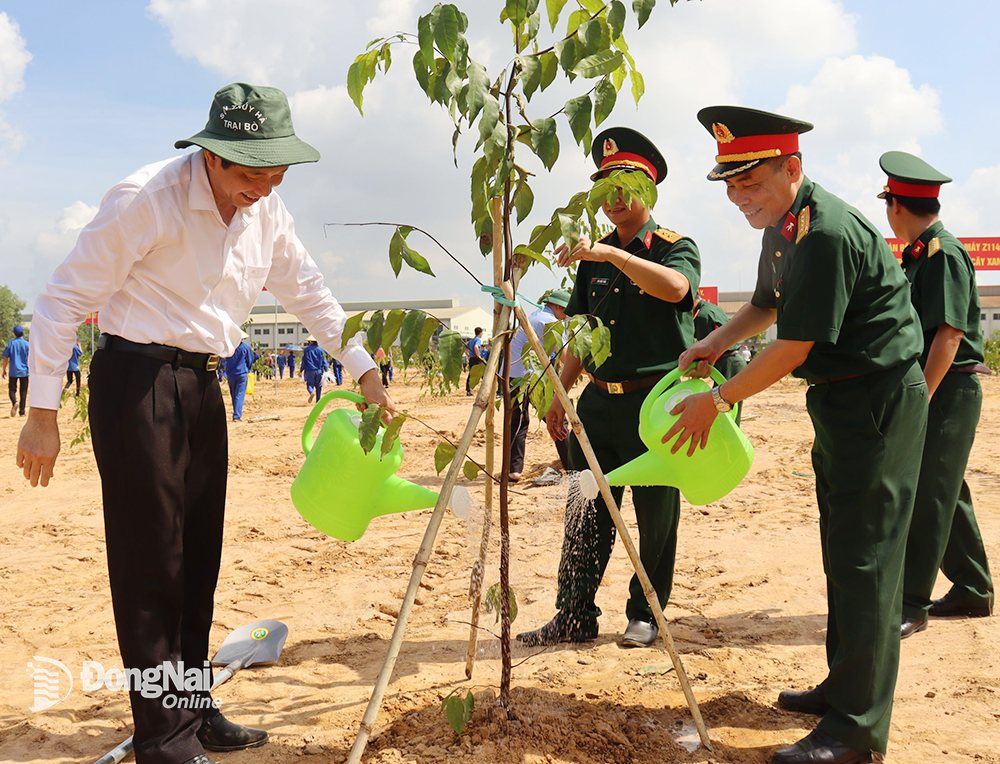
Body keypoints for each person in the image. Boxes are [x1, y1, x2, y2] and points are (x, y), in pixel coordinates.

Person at [16, 83, 393, 764]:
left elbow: (309, 292)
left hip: (202, 385)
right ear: (213, 156)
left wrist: (363, 369)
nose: (262, 188)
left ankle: (191, 710)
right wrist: (40, 414)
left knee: (198, 556)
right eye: (250, 174)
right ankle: (162, 737)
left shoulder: (267, 211)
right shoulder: (146, 199)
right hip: (135, 385)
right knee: (150, 558)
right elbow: (61, 299)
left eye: (275, 175)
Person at [667, 106, 927, 764]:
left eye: (749, 182)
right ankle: (845, 689)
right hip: (840, 402)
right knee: (844, 553)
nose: (737, 197)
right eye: (729, 185)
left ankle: (857, 731)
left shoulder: (825, 233)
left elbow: (796, 343)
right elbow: (767, 304)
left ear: (793, 167)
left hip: (877, 399)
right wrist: (716, 341)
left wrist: (720, 399)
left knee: (867, 562)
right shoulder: (783, 227)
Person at [517, 127, 701, 650]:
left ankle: (646, 614)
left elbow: (677, 289)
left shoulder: (672, 247)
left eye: (625, 183)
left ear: (649, 187)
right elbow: (583, 332)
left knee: (655, 517)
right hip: (599, 403)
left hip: (654, 406)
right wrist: (560, 392)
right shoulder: (591, 259)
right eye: (605, 185)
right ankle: (573, 615)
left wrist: (610, 255)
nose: (614, 197)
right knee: (584, 511)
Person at [879, 151, 994, 638]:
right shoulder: (922, 251)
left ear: (896, 207)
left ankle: (912, 602)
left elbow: (948, 335)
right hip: (942, 384)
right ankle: (973, 588)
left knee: (929, 493)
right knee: (947, 489)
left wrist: (920, 397)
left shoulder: (942, 253)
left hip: (948, 386)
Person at [507, 289, 571, 481]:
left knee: (518, 422)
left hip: (512, 376)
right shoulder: (551, 323)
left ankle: (514, 470)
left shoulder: (535, 316)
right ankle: (573, 466)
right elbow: (566, 356)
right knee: (557, 420)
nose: (567, 316)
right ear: (559, 307)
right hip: (535, 377)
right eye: (567, 311)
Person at [692, 293, 747, 424]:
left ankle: (728, 441)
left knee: (723, 410)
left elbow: (705, 348)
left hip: (727, 362)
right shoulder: (713, 308)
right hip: (734, 361)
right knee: (730, 409)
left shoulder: (702, 315)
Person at [3, 324, 29, 417]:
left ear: (14, 334)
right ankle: (22, 412)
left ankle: (14, 402)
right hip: (25, 371)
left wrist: (4, 370)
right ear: (23, 333)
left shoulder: (10, 344)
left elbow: (5, 358)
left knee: (12, 389)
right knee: (23, 391)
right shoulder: (27, 344)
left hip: (13, 371)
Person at [226, 338, 255, 422]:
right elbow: (250, 360)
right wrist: (248, 368)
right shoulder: (245, 347)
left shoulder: (229, 348)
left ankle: (236, 412)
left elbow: (224, 360)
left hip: (231, 374)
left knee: (234, 394)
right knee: (240, 394)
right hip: (242, 373)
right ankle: (237, 415)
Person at [302, 337, 328, 403]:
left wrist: (301, 370)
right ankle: (318, 401)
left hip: (309, 370)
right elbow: (324, 361)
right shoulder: (321, 350)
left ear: (310, 341)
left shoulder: (306, 350)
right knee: (318, 386)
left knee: (310, 384)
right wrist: (327, 370)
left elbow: (304, 361)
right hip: (319, 370)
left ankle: (311, 392)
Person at [465, 327, 484, 395]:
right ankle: (485, 388)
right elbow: (476, 347)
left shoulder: (471, 340)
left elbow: (465, 347)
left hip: (471, 359)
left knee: (471, 374)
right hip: (476, 359)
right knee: (482, 373)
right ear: (480, 333)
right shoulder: (478, 340)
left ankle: (468, 390)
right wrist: (478, 356)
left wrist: (467, 354)